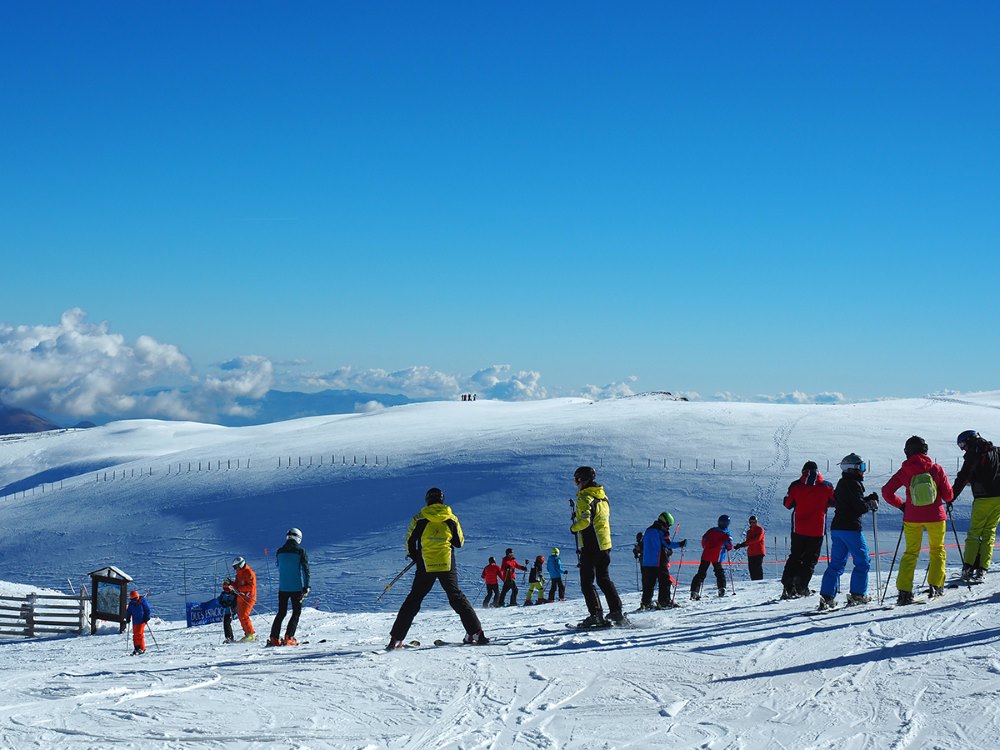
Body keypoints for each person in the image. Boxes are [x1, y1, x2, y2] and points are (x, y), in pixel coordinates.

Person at [386, 487, 487, 649]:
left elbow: (410, 541)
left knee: (414, 599)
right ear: (442, 500)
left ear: (427, 500)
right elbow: (459, 543)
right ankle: (476, 633)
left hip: (426, 563)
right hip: (447, 563)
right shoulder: (451, 518)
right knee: (456, 596)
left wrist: (415, 556)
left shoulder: (420, 518)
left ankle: (396, 638)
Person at [881, 436, 955, 602]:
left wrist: (902, 505)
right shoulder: (936, 469)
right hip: (936, 516)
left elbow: (886, 492)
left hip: (912, 517)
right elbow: (948, 495)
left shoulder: (903, 471)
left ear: (907, 452)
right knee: (937, 550)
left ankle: (904, 591)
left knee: (910, 553)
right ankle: (936, 586)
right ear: (925, 450)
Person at [817, 454, 879, 610]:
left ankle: (827, 596)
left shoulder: (842, 483)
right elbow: (859, 507)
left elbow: (849, 502)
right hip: (851, 528)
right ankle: (858, 594)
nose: (863, 471)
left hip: (838, 528)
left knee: (837, 564)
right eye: (861, 467)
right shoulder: (853, 484)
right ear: (853, 468)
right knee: (863, 562)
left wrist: (866, 499)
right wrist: (870, 503)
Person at [570, 466, 627, 626]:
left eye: (576, 480)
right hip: (605, 545)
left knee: (586, 582)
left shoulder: (584, 498)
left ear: (582, 480)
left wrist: (574, 527)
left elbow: (586, 521)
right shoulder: (603, 498)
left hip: (591, 545)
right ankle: (616, 612)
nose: (575, 484)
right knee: (603, 578)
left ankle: (596, 614)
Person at [779, 461, 835, 599]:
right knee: (810, 560)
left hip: (799, 528)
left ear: (803, 471)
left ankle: (788, 585)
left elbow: (788, 504)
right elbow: (834, 502)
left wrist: (787, 499)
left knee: (795, 556)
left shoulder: (796, 485)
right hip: (817, 529)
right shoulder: (826, 486)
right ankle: (802, 586)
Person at [952, 430, 1000, 581]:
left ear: (969, 441)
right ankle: (982, 569)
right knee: (989, 534)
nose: (963, 448)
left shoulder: (974, 453)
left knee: (974, 533)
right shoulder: (997, 451)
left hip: (982, 498)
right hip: (998, 499)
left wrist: (951, 496)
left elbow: (964, 476)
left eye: (962, 445)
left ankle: (968, 568)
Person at [267, 527, 310, 646]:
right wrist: (306, 586)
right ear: (299, 538)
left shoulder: (279, 551)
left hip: (282, 588)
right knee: (296, 612)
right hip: (296, 588)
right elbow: (305, 570)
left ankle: (274, 638)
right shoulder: (300, 551)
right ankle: (289, 637)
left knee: (281, 612)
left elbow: (278, 565)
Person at [640, 511, 687, 609]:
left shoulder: (648, 530)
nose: (668, 527)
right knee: (665, 581)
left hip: (646, 562)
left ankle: (645, 603)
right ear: (665, 522)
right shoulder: (662, 531)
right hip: (658, 561)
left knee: (649, 583)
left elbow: (642, 544)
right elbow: (668, 544)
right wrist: (680, 544)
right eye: (668, 525)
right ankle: (664, 602)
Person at [690, 515, 733, 600]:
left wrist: (706, 547)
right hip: (717, 556)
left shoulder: (711, 530)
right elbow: (730, 545)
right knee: (719, 572)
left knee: (701, 573)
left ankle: (694, 591)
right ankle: (721, 588)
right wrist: (727, 548)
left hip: (706, 554)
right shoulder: (727, 533)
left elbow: (704, 540)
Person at [228, 555, 257, 642]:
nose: (235, 569)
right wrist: (230, 583)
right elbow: (237, 585)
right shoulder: (238, 574)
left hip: (248, 597)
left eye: (236, 567)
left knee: (244, 615)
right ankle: (247, 633)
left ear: (240, 565)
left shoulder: (249, 573)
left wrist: (239, 589)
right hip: (241, 597)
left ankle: (250, 634)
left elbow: (251, 587)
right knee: (241, 616)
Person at [733, 515, 766, 581]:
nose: (753, 523)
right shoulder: (749, 532)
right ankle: (754, 583)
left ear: (756, 522)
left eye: (754, 522)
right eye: (751, 522)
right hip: (751, 553)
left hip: (759, 552)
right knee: (751, 569)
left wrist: (743, 544)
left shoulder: (760, 529)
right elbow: (749, 542)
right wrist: (740, 545)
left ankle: (759, 584)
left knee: (757, 569)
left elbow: (757, 539)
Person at [125, 589, 151, 655]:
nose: (134, 601)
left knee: (139, 634)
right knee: (135, 635)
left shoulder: (143, 601)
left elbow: (147, 609)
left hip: (142, 620)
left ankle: (142, 648)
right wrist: (128, 617)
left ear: (137, 597)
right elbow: (129, 611)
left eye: (135, 599)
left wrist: (147, 617)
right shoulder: (131, 604)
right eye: (132, 599)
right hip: (135, 622)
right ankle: (136, 648)